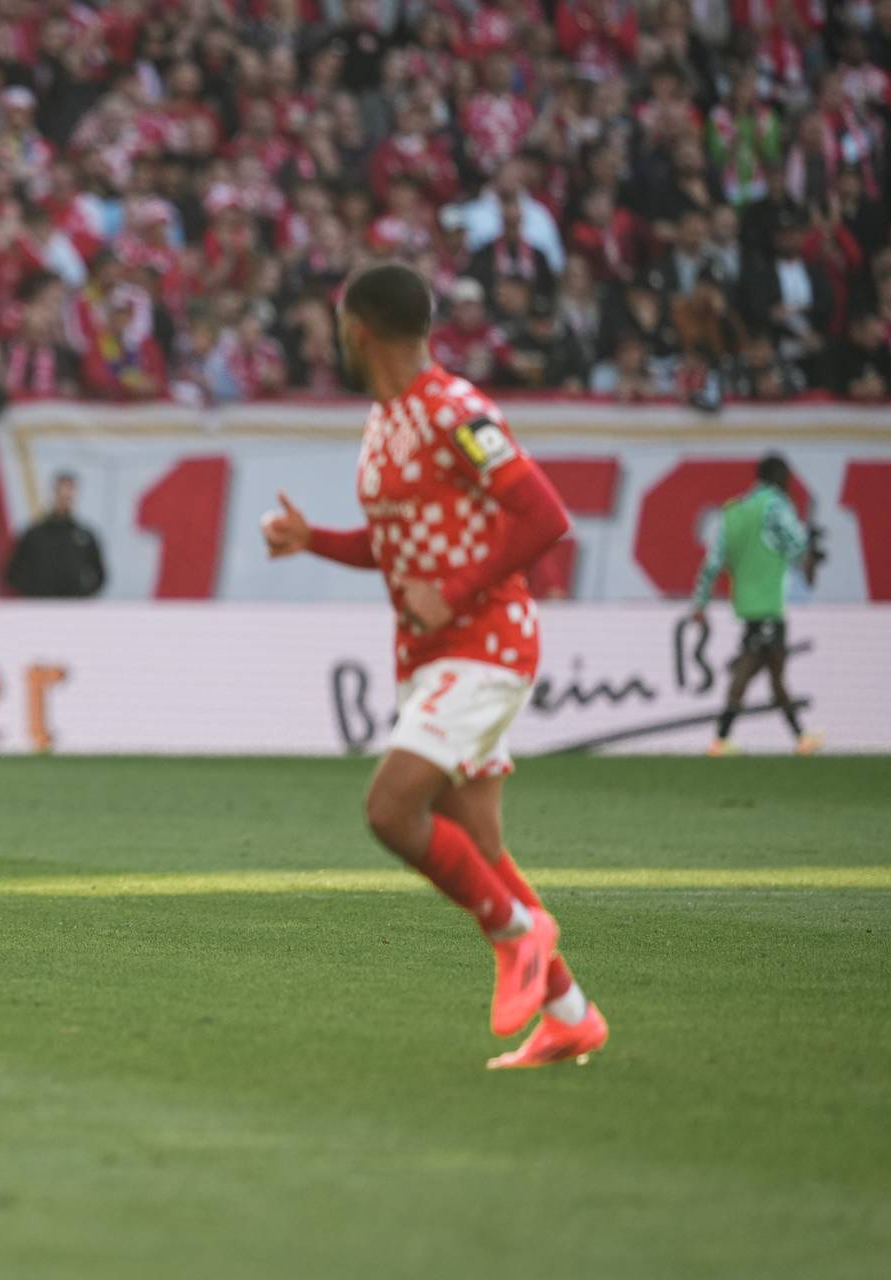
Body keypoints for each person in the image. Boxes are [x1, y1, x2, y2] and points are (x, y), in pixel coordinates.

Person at [261, 261, 607, 1070]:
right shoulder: (387, 420)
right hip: (431, 651)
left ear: (358, 330)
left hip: (486, 643)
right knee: (476, 843)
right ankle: (569, 1013)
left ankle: (518, 936)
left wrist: (453, 590)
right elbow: (394, 548)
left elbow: (544, 516)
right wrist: (315, 540)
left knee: (392, 810)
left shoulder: (454, 408)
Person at [690, 453, 825, 756]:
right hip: (768, 604)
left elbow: (712, 562)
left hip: (747, 604)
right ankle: (721, 738)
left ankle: (800, 737)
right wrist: (810, 552)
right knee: (755, 667)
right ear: (780, 478)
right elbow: (796, 541)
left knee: (774, 670)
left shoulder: (734, 511)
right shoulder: (775, 504)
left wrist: (700, 602)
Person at [6, 472, 106, 598]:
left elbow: (99, 574)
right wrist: (34, 591)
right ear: (54, 494)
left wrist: (83, 592)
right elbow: (14, 572)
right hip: (40, 607)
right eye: (61, 494)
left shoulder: (85, 537)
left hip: (75, 607)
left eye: (68, 496)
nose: (64, 500)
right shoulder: (34, 535)